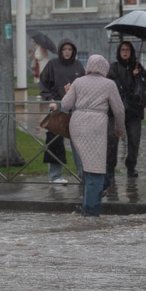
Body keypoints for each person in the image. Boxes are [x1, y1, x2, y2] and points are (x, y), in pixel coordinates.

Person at [54, 54, 125, 217]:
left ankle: (100, 190)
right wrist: (119, 128)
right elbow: (119, 110)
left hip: (77, 124)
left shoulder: (78, 82)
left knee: (90, 163)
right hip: (96, 125)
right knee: (95, 168)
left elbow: (65, 104)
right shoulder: (109, 84)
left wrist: (69, 91)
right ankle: (90, 212)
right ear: (105, 68)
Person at [39, 38, 85, 184]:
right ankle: (55, 176)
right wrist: (50, 99)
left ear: (73, 51)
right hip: (57, 106)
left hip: (75, 107)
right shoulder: (52, 64)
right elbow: (43, 83)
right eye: (64, 49)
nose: (67, 52)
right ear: (60, 51)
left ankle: (83, 175)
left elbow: (84, 85)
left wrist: (75, 93)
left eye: (70, 49)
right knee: (55, 142)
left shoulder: (78, 65)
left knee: (79, 142)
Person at [106, 41, 146, 181]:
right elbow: (110, 84)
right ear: (119, 52)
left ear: (131, 52)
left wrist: (138, 75)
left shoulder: (137, 67)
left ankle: (131, 167)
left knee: (134, 139)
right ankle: (110, 168)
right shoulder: (113, 67)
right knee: (112, 139)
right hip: (116, 109)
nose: (125, 52)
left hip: (134, 110)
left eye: (127, 49)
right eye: (122, 49)